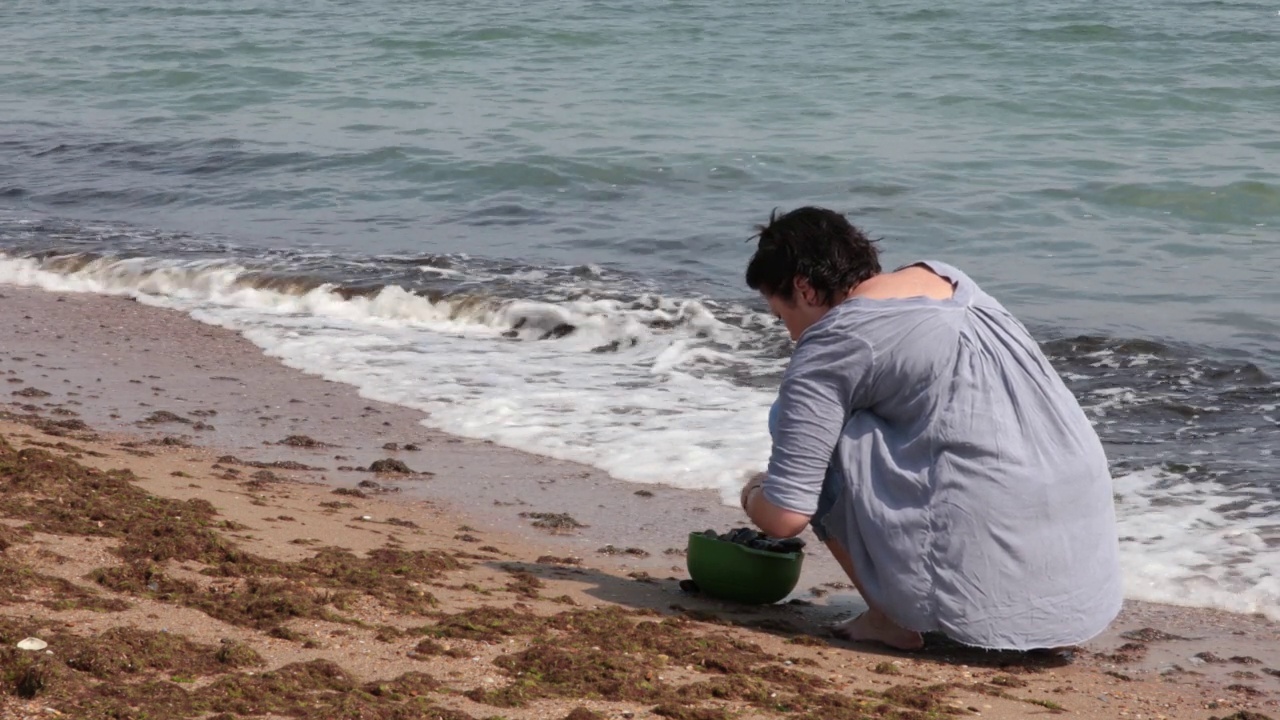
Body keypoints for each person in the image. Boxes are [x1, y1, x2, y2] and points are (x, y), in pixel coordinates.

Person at [738, 206, 1123, 651]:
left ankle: (890, 620)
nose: (789, 335)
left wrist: (753, 493)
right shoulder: (946, 278)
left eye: (779, 315)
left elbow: (786, 517)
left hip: (982, 595)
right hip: (1081, 569)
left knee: (791, 416)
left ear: (803, 289)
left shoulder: (831, 343)